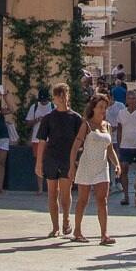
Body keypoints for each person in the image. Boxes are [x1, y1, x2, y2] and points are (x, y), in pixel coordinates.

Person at [33, 84, 84, 238]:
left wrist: (77, 161)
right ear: (54, 98)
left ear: (67, 96)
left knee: (66, 192)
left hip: (68, 159)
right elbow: (42, 141)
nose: (61, 98)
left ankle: (66, 219)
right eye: (58, 95)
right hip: (51, 158)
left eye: (63, 95)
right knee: (52, 192)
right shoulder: (48, 118)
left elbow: (81, 141)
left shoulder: (76, 118)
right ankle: (55, 227)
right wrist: (39, 163)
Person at [69, 94, 120, 246]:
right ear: (93, 108)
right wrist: (71, 166)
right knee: (83, 200)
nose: (103, 110)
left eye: (105, 107)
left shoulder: (108, 126)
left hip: (102, 167)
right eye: (100, 107)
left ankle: (104, 234)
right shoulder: (86, 125)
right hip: (86, 166)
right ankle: (77, 231)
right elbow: (75, 147)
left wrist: (116, 164)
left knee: (102, 200)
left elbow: (110, 149)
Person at [113, 89, 136, 207]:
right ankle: (126, 196)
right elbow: (119, 130)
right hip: (125, 145)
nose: (132, 100)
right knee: (124, 169)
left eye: (134, 98)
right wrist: (119, 146)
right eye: (129, 98)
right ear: (126, 100)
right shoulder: (121, 113)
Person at [24, 87, 55, 194]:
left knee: (50, 163)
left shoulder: (53, 107)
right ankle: (40, 188)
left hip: (50, 139)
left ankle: (51, 187)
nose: (43, 102)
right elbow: (28, 123)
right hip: (37, 139)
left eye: (45, 100)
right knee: (39, 162)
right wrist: (37, 120)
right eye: (42, 100)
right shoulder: (34, 107)